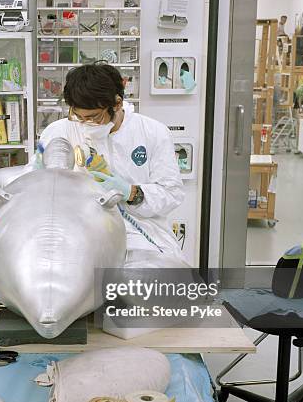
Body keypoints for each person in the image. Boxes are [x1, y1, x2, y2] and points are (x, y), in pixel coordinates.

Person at [30, 63, 186, 266]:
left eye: (93, 117)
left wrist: (131, 192)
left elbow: (172, 194)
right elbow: (33, 183)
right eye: (78, 116)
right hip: (75, 232)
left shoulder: (152, 132)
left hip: (137, 232)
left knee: (153, 283)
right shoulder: (59, 131)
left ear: (117, 103)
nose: (84, 123)